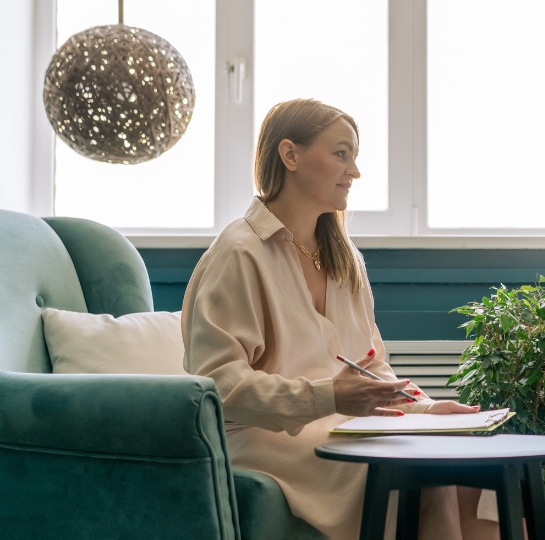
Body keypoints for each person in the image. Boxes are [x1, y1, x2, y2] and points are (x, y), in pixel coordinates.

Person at [182, 98, 490, 540]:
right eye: (341, 154)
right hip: (263, 437)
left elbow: (371, 363)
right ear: (290, 155)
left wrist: (423, 409)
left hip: (340, 426)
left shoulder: (345, 258)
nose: (355, 171)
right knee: (427, 472)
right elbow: (218, 386)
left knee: (465, 461)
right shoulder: (238, 253)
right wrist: (328, 397)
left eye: (355, 157)